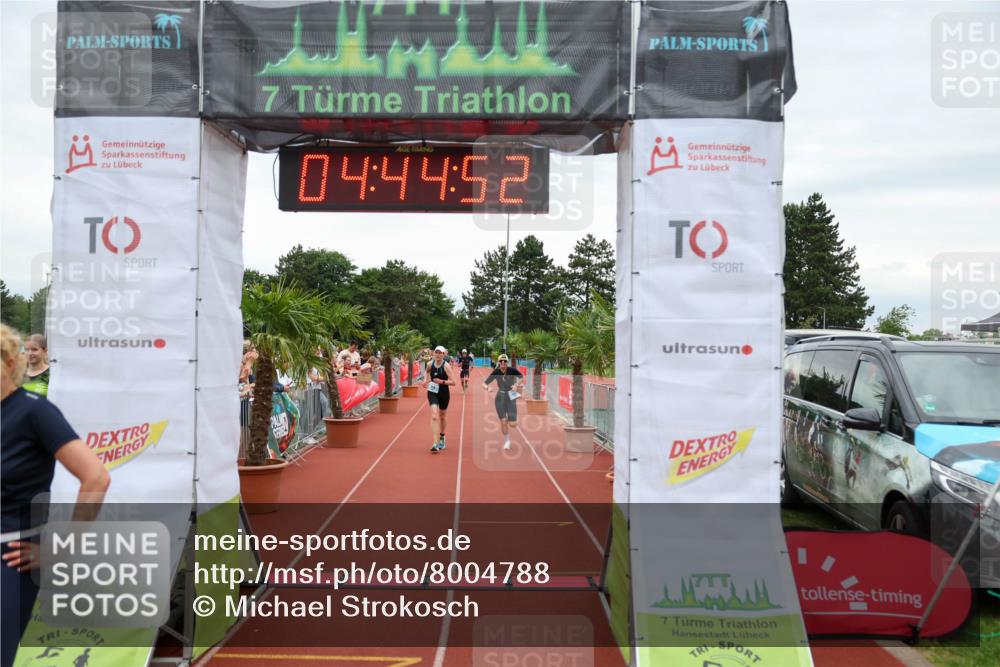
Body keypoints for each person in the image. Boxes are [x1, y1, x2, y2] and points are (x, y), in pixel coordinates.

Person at [1, 325, 110, 667]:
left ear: (8, 363)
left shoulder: (34, 412)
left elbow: (96, 478)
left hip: (10, 557)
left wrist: (61, 549)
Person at [483, 354, 523, 450]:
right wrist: (487, 388)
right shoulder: (496, 372)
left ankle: (512, 418)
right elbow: (484, 383)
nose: (503, 363)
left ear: (507, 362)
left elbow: (521, 377)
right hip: (500, 397)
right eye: (501, 361)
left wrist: (516, 385)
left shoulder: (512, 370)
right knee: (503, 421)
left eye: (505, 361)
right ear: (499, 362)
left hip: (511, 396)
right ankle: (507, 441)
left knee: (513, 424)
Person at [425, 345, 457, 453]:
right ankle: (435, 443)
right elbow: (427, 371)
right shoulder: (430, 364)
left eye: (440, 353)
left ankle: (442, 436)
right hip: (432, 391)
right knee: (434, 416)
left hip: (443, 392)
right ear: (434, 353)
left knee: (442, 416)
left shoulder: (446, 366)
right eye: (436, 352)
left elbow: (453, 382)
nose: (438, 354)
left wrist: (442, 381)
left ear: (443, 354)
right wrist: (425, 381)